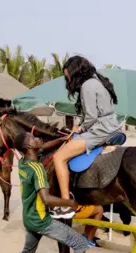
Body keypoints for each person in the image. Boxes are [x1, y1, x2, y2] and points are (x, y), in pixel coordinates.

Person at [52, 56, 122, 218]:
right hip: (111, 126)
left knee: (59, 157)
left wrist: (79, 129)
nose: (67, 79)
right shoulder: (97, 81)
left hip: (100, 130)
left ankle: (66, 205)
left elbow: (91, 117)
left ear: (75, 72)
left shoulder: (87, 86)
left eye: (67, 75)